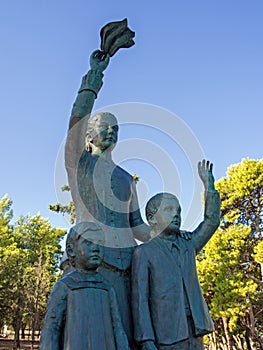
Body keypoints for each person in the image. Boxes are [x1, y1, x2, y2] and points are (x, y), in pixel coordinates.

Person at [65, 49, 151, 346]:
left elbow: (138, 226)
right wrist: (94, 78)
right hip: (92, 265)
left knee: (127, 334)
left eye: (116, 129)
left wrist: (170, 237)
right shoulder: (80, 165)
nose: (112, 132)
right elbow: (76, 119)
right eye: (105, 127)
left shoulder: (128, 178)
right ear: (90, 135)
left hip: (128, 267)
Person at [131, 160, 221, 350]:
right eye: (169, 209)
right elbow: (140, 300)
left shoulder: (188, 243)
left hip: (195, 329)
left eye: (178, 210)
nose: (176, 214)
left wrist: (209, 186)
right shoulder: (144, 252)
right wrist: (145, 339)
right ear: (152, 218)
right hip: (166, 334)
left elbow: (211, 222)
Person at [39, 222, 130, 350]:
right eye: (88, 242)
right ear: (71, 250)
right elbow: (51, 329)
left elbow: (117, 328)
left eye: (100, 243)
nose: (95, 248)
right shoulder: (65, 286)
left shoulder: (107, 287)